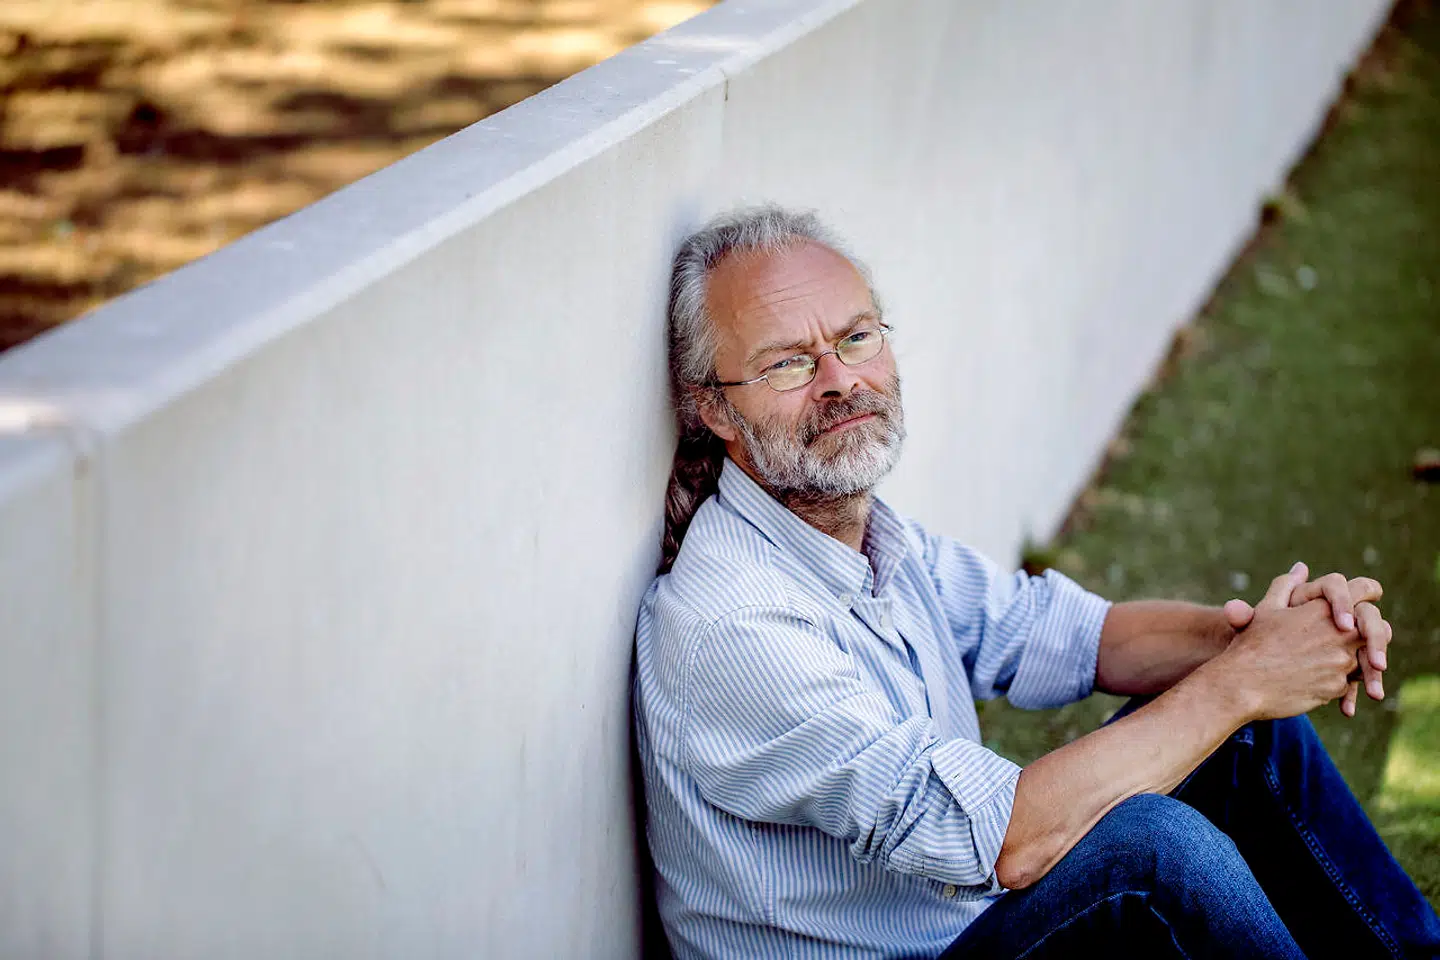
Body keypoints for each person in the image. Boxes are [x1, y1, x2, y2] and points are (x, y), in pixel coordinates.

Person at [632, 205, 1440, 959]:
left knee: (1251, 734)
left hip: (964, 933)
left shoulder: (862, 537)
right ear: (714, 410)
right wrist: (1241, 681)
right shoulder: (734, 626)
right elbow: (1003, 841)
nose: (840, 379)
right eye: (787, 364)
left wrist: (1259, 639)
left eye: (856, 338)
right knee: (1153, 849)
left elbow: (1055, 631)